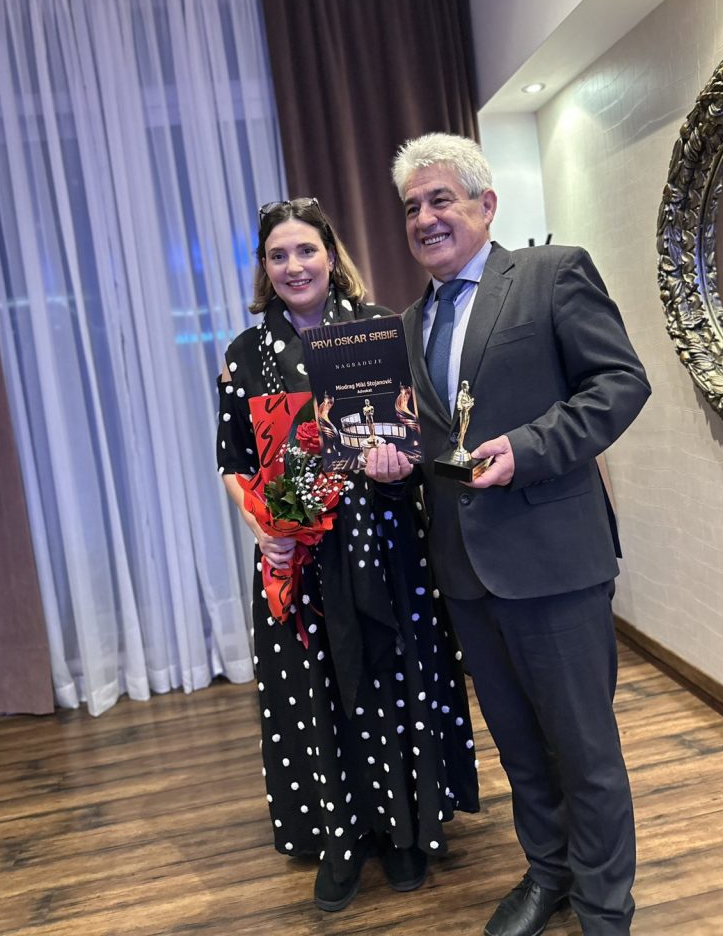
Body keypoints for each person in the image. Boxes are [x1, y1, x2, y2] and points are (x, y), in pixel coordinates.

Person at [366, 134, 651, 936]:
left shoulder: (552, 274)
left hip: (554, 562)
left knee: (584, 751)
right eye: (412, 207)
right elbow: (427, 441)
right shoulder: (406, 325)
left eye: (441, 199)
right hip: (464, 573)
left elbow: (621, 383)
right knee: (520, 748)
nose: (425, 218)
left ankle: (604, 906)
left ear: (485, 205)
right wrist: (391, 464)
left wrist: (528, 448)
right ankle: (548, 872)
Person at [216, 196, 479, 913]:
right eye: (279, 255)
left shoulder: (380, 330)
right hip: (297, 552)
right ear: (265, 268)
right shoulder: (245, 355)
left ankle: (405, 830)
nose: (295, 266)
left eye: (307, 250)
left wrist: (401, 464)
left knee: (393, 678)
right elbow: (234, 461)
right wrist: (260, 526)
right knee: (317, 691)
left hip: (383, 540)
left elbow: (420, 438)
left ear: (331, 255)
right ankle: (339, 839)